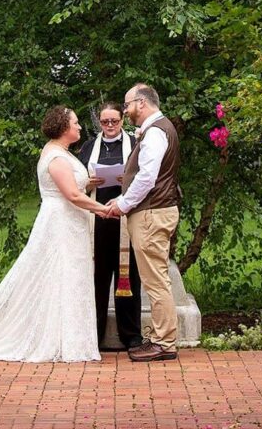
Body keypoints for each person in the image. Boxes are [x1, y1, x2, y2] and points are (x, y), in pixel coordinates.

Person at [0, 106, 108, 363]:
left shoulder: (61, 153)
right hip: (60, 223)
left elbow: (74, 186)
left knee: (69, 277)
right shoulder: (56, 157)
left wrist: (88, 182)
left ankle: (69, 338)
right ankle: (63, 341)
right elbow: (72, 195)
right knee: (62, 274)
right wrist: (104, 210)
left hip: (70, 222)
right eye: (75, 123)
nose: (79, 127)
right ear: (64, 127)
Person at [104, 83, 181, 363]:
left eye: (127, 105)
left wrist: (123, 204)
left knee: (155, 280)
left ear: (141, 102)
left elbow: (148, 178)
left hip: (151, 213)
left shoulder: (156, 132)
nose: (126, 110)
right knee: (156, 278)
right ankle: (163, 337)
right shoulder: (157, 130)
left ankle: (164, 342)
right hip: (154, 211)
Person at [78, 102, 143, 351]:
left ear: (122, 121)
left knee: (128, 278)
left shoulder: (135, 146)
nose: (110, 126)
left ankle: (131, 336)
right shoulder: (88, 147)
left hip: (125, 220)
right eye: (105, 122)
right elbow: (75, 182)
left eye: (114, 121)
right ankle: (94, 333)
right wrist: (89, 182)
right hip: (97, 220)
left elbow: (147, 177)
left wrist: (127, 179)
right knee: (96, 277)